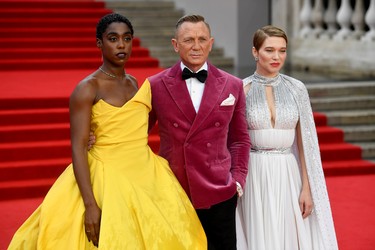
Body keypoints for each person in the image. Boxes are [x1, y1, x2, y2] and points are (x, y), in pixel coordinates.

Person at [8, 13, 207, 249]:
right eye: (113, 38)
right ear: (99, 43)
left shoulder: (136, 84)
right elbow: (78, 147)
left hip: (148, 175)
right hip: (105, 176)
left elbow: (139, 126)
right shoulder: (87, 88)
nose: (121, 45)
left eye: (127, 38)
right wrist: (90, 205)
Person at [146, 14, 251, 250]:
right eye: (188, 40)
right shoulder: (155, 85)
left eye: (202, 39)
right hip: (174, 191)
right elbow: (137, 132)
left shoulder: (232, 84)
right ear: (175, 45)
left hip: (220, 192)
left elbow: (240, 139)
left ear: (211, 43)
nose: (196, 46)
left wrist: (237, 181)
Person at [235, 25, 338, 250]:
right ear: (255, 52)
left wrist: (307, 189)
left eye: (282, 51)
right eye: (269, 50)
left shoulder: (296, 89)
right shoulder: (240, 89)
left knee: (290, 237)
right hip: (254, 173)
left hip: (289, 173)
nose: (276, 57)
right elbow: (232, 141)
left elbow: (306, 145)